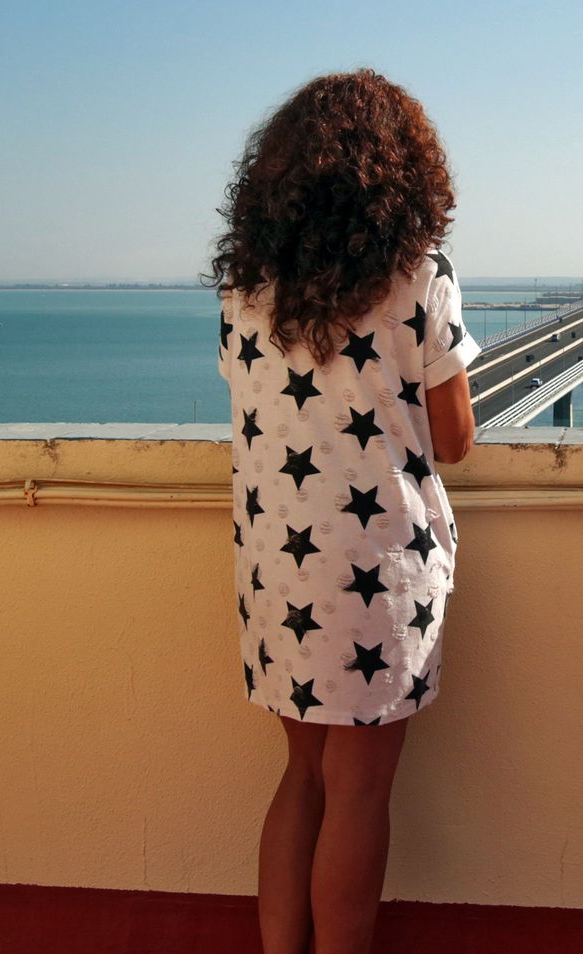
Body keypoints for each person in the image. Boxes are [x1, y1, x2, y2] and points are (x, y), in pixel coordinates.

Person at [203, 68, 479, 954]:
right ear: (403, 174)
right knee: (361, 791)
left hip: (279, 566)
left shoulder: (245, 291)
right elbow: (457, 438)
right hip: (378, 573)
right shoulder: (419, 275)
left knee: (303, 776)